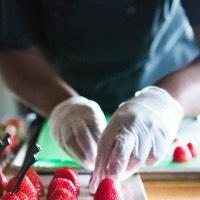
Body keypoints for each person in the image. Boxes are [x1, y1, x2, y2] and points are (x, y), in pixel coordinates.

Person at [0, 0, 200, 193]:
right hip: (52, 90)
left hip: (174, 88)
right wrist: (63, 106)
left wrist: (163, 104)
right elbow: (12, 49)